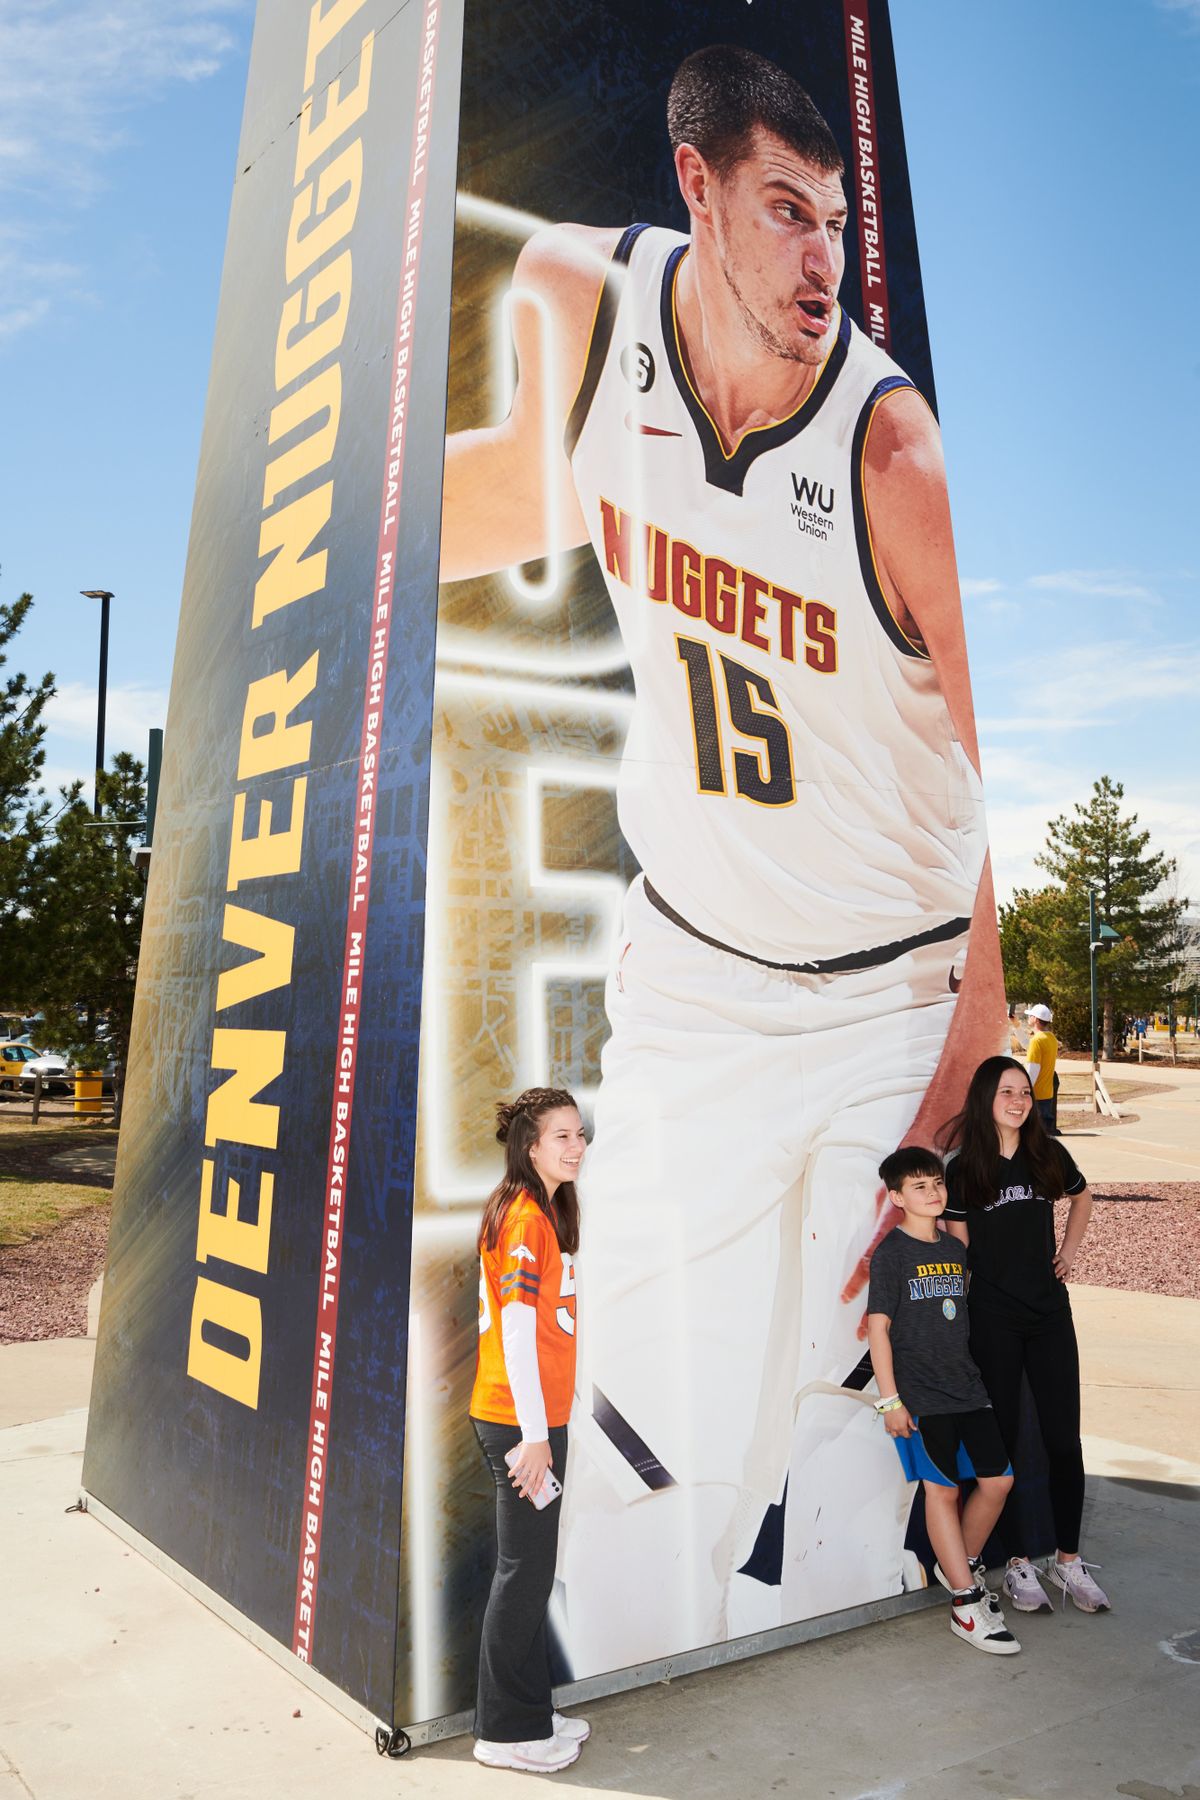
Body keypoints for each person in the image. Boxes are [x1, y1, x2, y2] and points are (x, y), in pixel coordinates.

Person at [441, 43, 1004, 1672]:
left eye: (834, 216)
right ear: (696, 193)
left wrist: (975, 1040)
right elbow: (518, 485)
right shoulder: (581, 296)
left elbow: (995, 758)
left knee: (839, 1439)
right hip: (689, 987)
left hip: (883, 1002)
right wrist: (334, 543)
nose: (822, 256)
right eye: (783, 211)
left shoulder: (894, 459)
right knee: (627, 1459)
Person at [940, 1058, 1110, 1614]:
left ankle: (1067, 1561)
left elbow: (1083, 1197)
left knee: (1065, 1439)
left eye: (1024, 1091)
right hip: (993, 1317)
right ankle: (1015, 1563)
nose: (1018, 1100)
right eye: (1006, 1091)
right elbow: (958, 1250)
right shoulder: (964, 1167)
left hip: (1048, 1314)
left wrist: (1069, 1252)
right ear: (984, 1097)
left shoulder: (1047, 1155)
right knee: (1007, 1443)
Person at [469, 1088, 591, 1773]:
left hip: (535, 1419)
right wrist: (536, 1434)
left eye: (580, 1134)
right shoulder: (522, 1218)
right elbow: (516, 1334)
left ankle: (530, 1712)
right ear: (530, 1146)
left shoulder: (545, 1210)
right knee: (522, 1574)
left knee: (532, 1570)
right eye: (562, 1136)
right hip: (520, 1424)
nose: (576, 1146)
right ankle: (507, 1733)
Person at [867, 1146, 1019, 1655]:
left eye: (937, 1184)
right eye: (919, 1187)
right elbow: (879, 1331)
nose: (933, 1193)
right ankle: (965, 1602)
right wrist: (891, 1403)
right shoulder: (891, 1254)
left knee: (998, 1481)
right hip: (921, 1396)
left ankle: (959, 1563)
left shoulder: (955, 1249)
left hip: (967, 1387)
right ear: (896, 1197)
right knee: (943, 1491)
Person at [1024, 1004, 1059, 1135]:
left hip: (1035, 1095)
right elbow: (1027, 1046)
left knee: (1034, 1137)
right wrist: (1016, 1026)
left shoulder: (1036, 1041)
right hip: (1047, 1094)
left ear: (1036, 1020)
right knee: (1045, 1134)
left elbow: (1033, 1070)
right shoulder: (1051, 1038)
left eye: (1030, 1015)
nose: (1028, 1017)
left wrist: (1025, 1091)